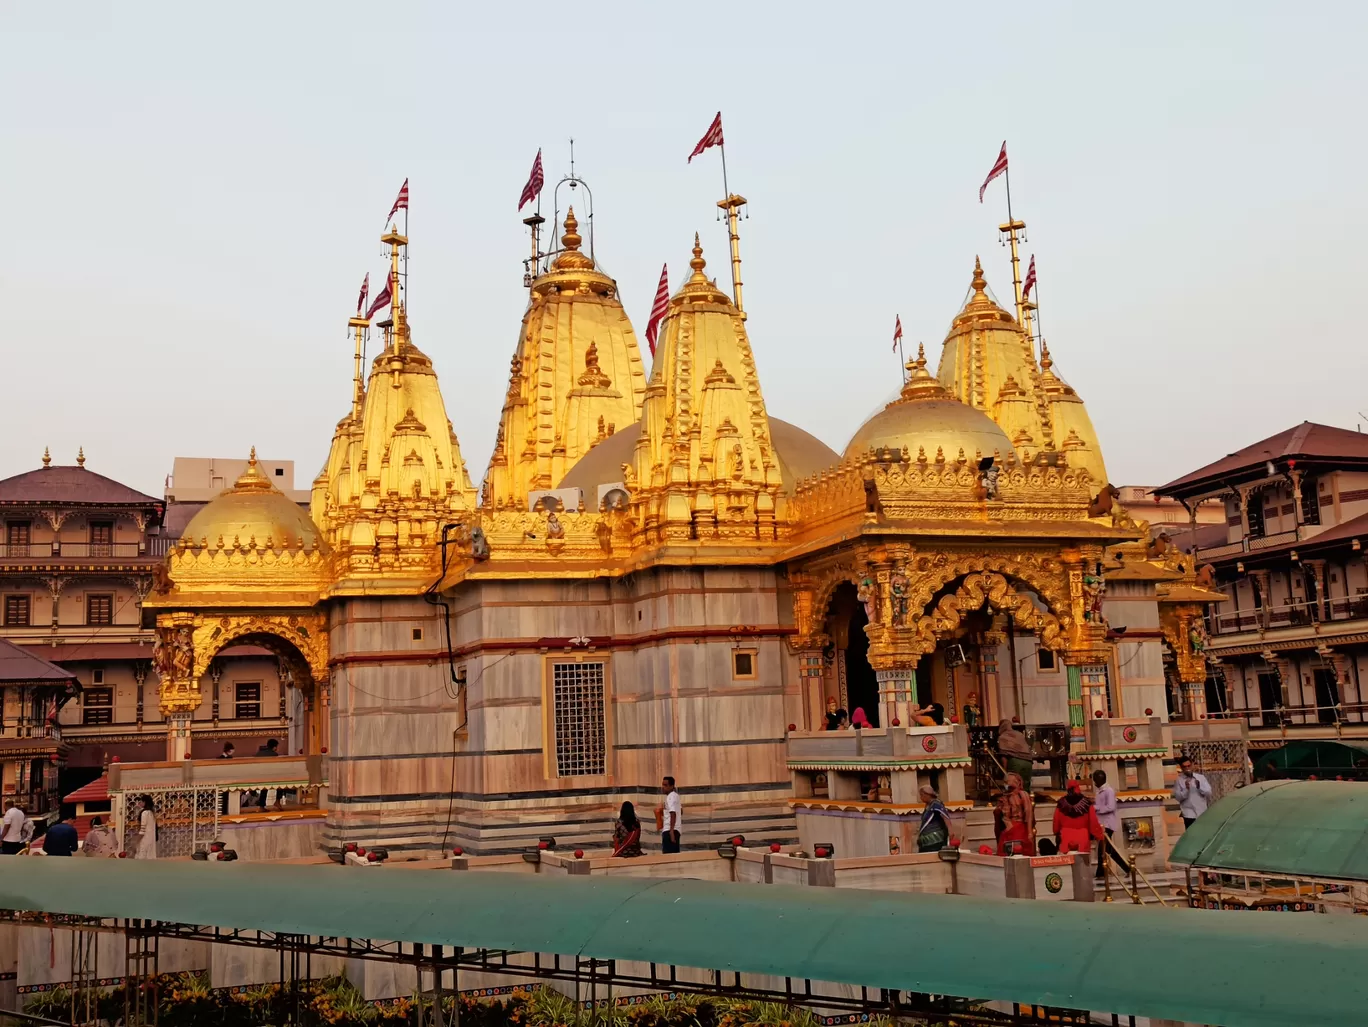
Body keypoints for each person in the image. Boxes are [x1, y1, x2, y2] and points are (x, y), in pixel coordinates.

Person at [1091, 769, 1130, 879]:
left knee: (1102, 849)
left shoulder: (1109, 791)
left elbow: (1111, 807)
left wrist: (1096, 808)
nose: (1094, 782)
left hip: (1108, 823)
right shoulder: (1099, 791)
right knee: (1108, 850)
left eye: (1095, 780)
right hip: (1101, 823)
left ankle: (1100, 873)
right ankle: (1127, 868)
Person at [1053, 780, 1104, 856]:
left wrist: (1056, 832)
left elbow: (1056, 823)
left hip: (1065, 838)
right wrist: (1100, 835)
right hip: (1082, 838)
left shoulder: (1061, 803)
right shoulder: (1087, 803)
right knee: (1082, 865)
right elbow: (1093, 822)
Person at [995, 772, 1035, 856]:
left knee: (1020, 851)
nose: (1006, 783)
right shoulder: (1004, 797)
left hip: (1019, 827)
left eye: (1008, 781)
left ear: (1018, 782)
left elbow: (1028, 813)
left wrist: (1029, 832)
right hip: (1007, 827)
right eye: (1005, 781)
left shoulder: (1022, 794)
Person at [1172, 757, 1213, 830]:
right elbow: (1178, 797)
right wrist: (1186, 789)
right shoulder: (1179, 781)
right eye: (1185, 767)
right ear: (1182, 768)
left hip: (1202, 812)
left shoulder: (1200, 778)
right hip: (1189, 814)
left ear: (1192, 765)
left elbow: (1208, 793)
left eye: (1189, 766)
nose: (1187, 768)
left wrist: (1199, 786)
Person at [997, 719, 1034, 789]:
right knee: (1025, 787)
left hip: (1015, 763)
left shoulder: (1002, 737)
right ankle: (1026, 798)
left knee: (1013, 787)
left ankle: (1013, 800)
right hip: (1028, 762)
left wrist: (1005, 773)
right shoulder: (1019, 734)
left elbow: (1004, 756)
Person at [916, 785, 951, 852]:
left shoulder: (936, 804)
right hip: (926, 841)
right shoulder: (928, 805)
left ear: (927, 795)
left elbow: (946, 817)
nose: (920, 797)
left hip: (935, 840)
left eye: (921, 795)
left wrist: (950, 831)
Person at [659, 776, 682, 853]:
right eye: (662, 785)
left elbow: (673, 813)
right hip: (674, 830)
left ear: (671, 786)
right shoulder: (675, 796)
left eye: (665, 785)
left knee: (668, 856)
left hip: (670, 830)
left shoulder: (671, 796)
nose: (663, 787)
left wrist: (671, 831)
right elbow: (680, 811)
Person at [133, 795, 157, 859]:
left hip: (144, 841)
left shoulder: (144, 813)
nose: (140, 803)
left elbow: (142, 831)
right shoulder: (152, 813)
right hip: (151, 841)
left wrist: (136, 842)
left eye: (141, 801)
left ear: (144, 802)